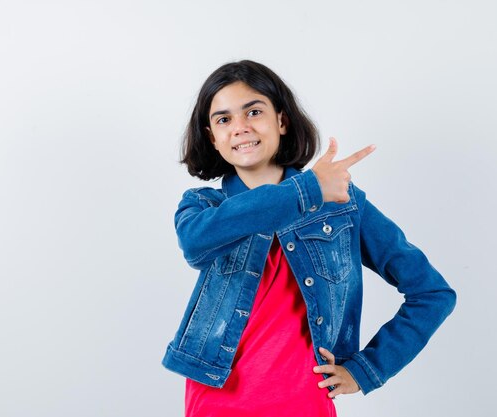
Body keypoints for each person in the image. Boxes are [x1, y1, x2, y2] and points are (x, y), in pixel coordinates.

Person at [161, 60, 456, 417]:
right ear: (212, 137)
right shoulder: (204, 206)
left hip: (304, 401)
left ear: (281, 121)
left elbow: (432, 293)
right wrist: (308, 188)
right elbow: (195, 243)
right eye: (224, 119)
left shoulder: (341, 204)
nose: (240, 127)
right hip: (216, 400)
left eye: (253, 111)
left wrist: (366, 370)